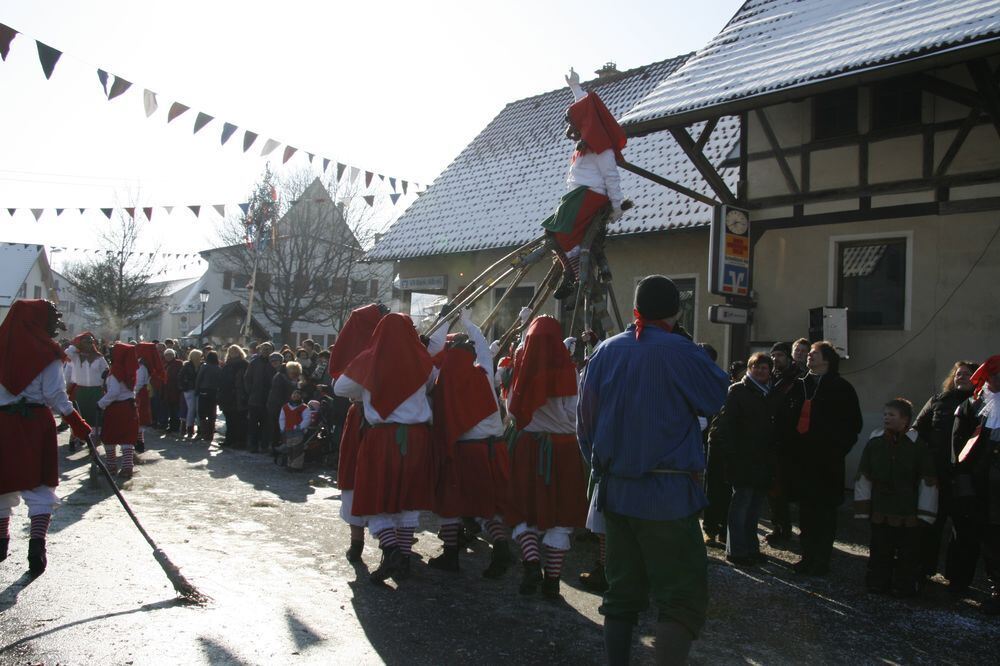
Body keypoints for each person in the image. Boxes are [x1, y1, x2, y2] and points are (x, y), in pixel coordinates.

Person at [578, 276, 728, 665]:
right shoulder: (683, 351)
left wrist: (604, 468)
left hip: (616, 491)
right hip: (668, 495)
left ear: (636, 310)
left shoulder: (605, 351)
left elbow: (585, 425)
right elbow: (715, 397)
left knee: (621, 593)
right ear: (677, 312)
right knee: (680, 596)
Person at [334, 313, 440, 583]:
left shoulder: (369, 358)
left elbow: (339, 388)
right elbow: (431, 385)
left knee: (374, 499)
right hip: (417, 437)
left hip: (382, 437)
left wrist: (365, 387)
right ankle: (403, 560)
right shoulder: (423, 360)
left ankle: (391, 550)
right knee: (407, 500)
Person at [0, 300, 92, 577]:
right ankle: (36, 547)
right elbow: (55, 396)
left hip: (2, 424)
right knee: (39, 487)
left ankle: (1, 542)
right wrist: (77, 424)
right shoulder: (48, 354)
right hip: (34, 425)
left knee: (2, 485)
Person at [503, 315, 587, 600]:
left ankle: (531, 561)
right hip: (563, 449)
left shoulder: (521, 370)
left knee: (523, 508)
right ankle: (552, 582)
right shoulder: (569, 371)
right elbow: (576, 414)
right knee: (561, 515)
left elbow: (513, 413)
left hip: (528, 446)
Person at [430, 309, 511, 577]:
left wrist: (447, 322)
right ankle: (500, 546)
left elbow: (431, 354)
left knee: (453, 503)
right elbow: (484, 348)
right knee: (491, 506)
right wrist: (468, 322)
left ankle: (451, 554)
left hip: (467, 451)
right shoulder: (485, 372)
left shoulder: (444, 381)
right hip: (496, 447)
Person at [541, 68, 626, 299]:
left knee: (554, 230)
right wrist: (575, 88)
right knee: (553, 232)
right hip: (579, 195)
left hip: (590, 195)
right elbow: (586, 111)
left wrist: (617, 206)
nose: (571, 130)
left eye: (574, 126)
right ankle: (572, 263)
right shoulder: (589, 141)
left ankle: (573, 270)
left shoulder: (602, 147)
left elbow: (612, 177)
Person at [781, 341, 863, 576]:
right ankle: (807, 556)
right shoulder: (798, 386)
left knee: (824, 513)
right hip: (802, 462)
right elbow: (786, 418)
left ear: (827, 359)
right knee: (805, 513)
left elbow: (852, 425)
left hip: (828, 463)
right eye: (808, 354)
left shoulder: (841, 388)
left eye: (814, 354)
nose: (809, 357)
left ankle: (821, 560)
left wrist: (835, 450)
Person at [854, 398, 937, 597]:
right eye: (885, 414)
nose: (886, 418)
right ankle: (877, 581)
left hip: (906, 506)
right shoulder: (875, 443)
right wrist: (863, 507)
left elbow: (928, 480)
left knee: (907, 550)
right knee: (880, 546)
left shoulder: (917, 446)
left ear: (905, 419)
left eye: (892, 415)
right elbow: (864, 475)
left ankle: (903, 584)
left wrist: (926, 513)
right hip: (881, 504)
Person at [327, 304, 386, 562]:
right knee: (354, 474)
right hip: (369, 419)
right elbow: (341, 386)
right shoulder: (369, 353)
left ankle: (388, 540)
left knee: (378, 476)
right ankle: (359, 541)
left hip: (382, 420)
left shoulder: (384, 348)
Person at [710, 352, 777, 566]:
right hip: (742, 459)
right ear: (749, 369)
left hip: (763, 460)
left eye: (764, 368)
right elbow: (726, 427)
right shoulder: (737, 391)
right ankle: (736, 551)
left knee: (755, 507)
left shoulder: (771, 393)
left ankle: (751, 548)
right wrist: (731, 457)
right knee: (740, 506)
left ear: (770, 371)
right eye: (755, 367)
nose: (760, 371)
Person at [913, 361, 976, 579]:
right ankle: (924, 568)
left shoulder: (983, 404)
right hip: (937, 473)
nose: (962, 377)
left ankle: (958, 577)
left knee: (963, 530)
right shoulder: (939, 400)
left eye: (968, 374)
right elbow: (917, 429)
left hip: (966, 476)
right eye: (959, 373)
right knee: (930, 523)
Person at [950, 355, 1000, 610]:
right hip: (981, 487)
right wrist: (963, 481)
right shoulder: (973, 405)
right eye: (993, 376)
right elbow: (959, 444)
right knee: (986, 539)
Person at [765, 341, 802, 546]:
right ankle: (780, 526)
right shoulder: (772, 378)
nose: (775, 359)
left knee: (785, 487)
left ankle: (786, 527)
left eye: (779, 355)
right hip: (773, 440)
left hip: (789, 441)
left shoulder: (797, 379)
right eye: (773, 355)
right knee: (774, 489)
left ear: (788, 357)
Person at [98, 343, 141, 480]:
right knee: (126, 437)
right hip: (129, 407)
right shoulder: (130, 369)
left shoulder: (116, 370)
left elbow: (114, 392)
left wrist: (100, 404)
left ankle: (111, 465)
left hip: (116, 408)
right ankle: (127, 466)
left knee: (110, 436)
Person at [64, 331, 108, 451]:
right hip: (81, 391)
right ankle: (74, 438)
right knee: (79, 416)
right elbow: (66, 352)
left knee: (95, 419)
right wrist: (76, 344)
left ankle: (93, 445)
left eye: (90, 342)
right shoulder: (75, 356)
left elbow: (106, 374)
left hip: (96, 391)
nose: (89, 344)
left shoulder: (99, 357)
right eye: (85, 342)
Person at [245, 342, 276, 453]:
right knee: (253, 423)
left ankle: (264, 445)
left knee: (266, 424)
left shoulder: (274, 363)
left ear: (272, 350)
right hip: (255, 398)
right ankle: (253, 445)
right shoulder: (254, 363)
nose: (265, 351)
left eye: (268, 349)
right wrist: (250, 391)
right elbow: (247, 378)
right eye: (263, 349)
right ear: (260, 350)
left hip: (269, 399)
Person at [135, 341, 166, 453]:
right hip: (142, 392)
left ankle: (139, 443)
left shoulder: (142, 366)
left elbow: (138, 382)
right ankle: (139, 442)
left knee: (138, 419)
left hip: (139, 393)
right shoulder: (144, 364)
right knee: (140, 420)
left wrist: (133, 394)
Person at [218, 345, 249, 448]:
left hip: (238, 396)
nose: (232, 352)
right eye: (230, 351)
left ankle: (239, 441)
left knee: (239, 420)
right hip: (227, 396)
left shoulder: (244, 364)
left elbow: (245, 381)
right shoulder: (227, 365)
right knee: (229, 420)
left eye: (235, 350)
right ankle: (229, 439)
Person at [266, 360, 299, 453]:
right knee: (276, 428)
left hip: (282, 406)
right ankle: (273, 448)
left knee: (280, 428)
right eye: (294, 374)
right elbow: (277, 395)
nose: (295, 376)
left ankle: (277, 447)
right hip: (276, 406)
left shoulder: (286, 378)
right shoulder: (280, 378)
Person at [277, 388, 312, 469]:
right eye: (294, 394)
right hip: (288, 431)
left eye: (297, 395)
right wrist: (282, 428)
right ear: (291, 396)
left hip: (298, 432)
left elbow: (307, 419)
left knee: (297, 449)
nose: (295, 396)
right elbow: (282, 418)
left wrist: (301, 427)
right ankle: (289, 464)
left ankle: (296, 466)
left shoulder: (304, 408)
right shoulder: (285, 407)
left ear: (300, 397)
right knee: (289, 449)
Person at [194, 350, 223, 442]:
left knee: (202, 413)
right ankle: (210, 435)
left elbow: (199, 378)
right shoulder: (218, 368)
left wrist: (196, 390)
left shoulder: (205, 366)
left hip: (204, 390)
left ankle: (203, 432)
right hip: (214, 391)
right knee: (212, 413)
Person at [178, 349, 202, 438]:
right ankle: (189, 428)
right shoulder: (187, 365)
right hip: (189, 390)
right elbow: (180, 377)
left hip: (198, 390)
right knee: (191, 409)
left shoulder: (202, 365)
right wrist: (184, 387)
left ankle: (198, 429)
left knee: (198, 409)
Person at [162, 348, 184, 433]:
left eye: (170, 355)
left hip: (175, 389)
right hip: (167, 390)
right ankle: (171, 426)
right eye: (166, 355)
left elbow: (179, 376)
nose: (168, 356)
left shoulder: (178, 363)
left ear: (173, 355)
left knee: (176, 409)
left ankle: (176, 426)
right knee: (171, 409)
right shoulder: (165, 365)